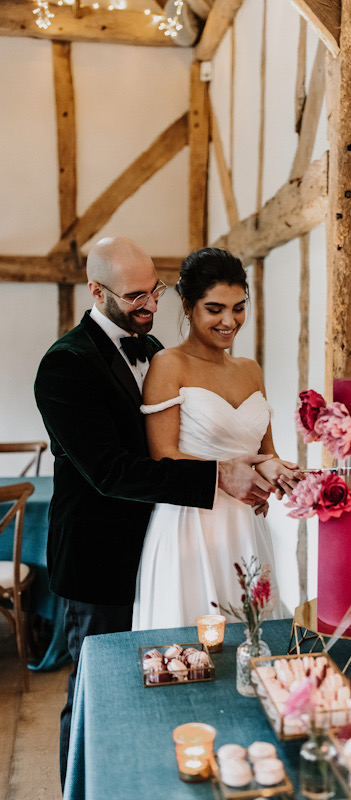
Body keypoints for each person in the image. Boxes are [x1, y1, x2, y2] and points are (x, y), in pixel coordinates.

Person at [34, 236, 275, 789]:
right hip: (102, 559)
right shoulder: (65, 366)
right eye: (135, 296)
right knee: (100, 694)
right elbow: (113, 471)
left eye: (156, 291)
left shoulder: (157, 348)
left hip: (169, 540)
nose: (150, 305)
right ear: (96, 291)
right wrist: (219, 475)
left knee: (180, 676)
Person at [132, 247, 298, 630]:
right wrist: (228, 473)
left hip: (247, 526)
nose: (230, 320)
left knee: (253, 640)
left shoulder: (250, 370)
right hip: (190, 525)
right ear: (188, 306)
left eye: (239, 307)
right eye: (215, 309)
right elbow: (163, 458)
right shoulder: (167, 365)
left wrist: (281, 472)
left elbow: (264, 452)